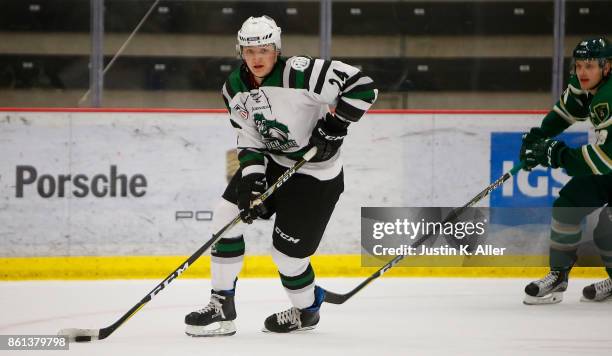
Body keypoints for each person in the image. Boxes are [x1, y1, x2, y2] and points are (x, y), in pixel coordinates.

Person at [184, 15, 377, 335]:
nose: (257, 58)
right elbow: (248, 138)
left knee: (287, 257)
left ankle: (307, 309)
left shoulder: (303, 73)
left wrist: (335, 125)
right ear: (240, 52)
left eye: (264, 50)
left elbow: (363, 87)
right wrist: (251, 179)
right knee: (225, 217)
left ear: (276, 49)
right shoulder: (233, 88)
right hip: (274, 162)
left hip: (315, 174)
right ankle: (222, 305)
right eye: (249, 51)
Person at [520, 37, 612, 305]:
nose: (582, 72)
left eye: (590, 66)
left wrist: (556, 154)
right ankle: (558, 276)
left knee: (607, 230)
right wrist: (536, 138)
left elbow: (605, 158)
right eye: (579, 65)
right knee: (567, 205)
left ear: (607, 68)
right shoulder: (586, 84)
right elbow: (563, 113)